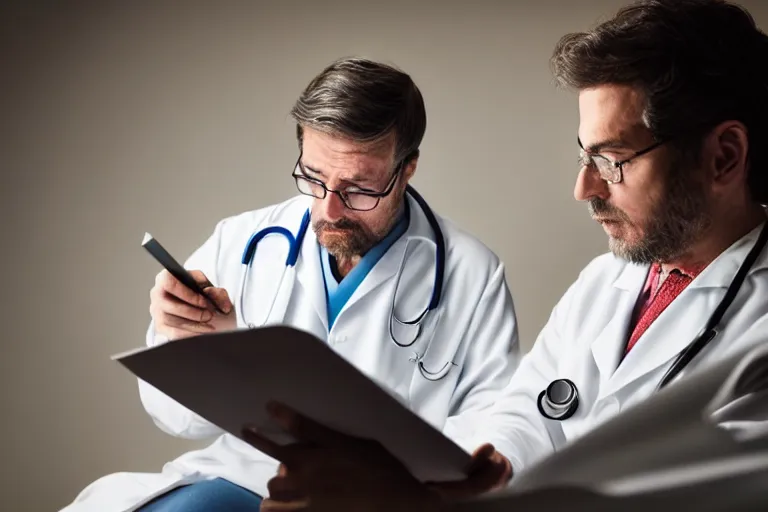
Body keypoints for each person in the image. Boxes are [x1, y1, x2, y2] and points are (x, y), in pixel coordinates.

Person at [239, 1, 768, 511]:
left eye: (611, 161)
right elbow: (528, 409)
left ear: (723, 158)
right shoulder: (607, 282)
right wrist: (474, 473)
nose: (583, 188)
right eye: (583, 156)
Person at [60, 57, 521, 512]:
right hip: (242, 477)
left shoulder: (472, 275)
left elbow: (485, 438)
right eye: (314, 178)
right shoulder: (242, 240)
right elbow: (174, 419)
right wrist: (185, 340)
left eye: (359, 188)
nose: (329, 211)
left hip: (378, 500)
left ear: (407, 169)